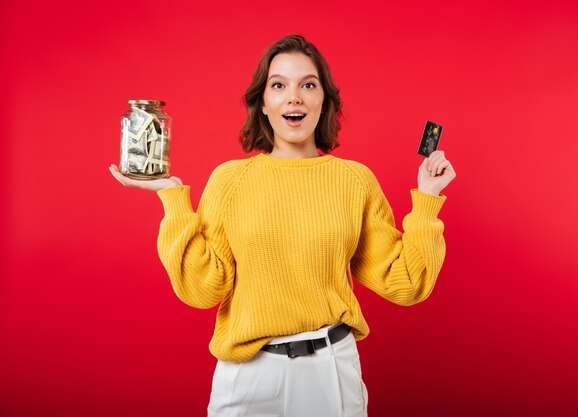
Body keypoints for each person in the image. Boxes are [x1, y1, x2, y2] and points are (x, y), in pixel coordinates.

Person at [109, 34, 456, 417]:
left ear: (324, 101)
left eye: (308, 85)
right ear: (263, 103)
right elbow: (202, 289)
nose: (294, 97)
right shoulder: (230, 180)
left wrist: (427, 199)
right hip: (249, 376)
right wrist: (173, 198)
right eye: (279, 85)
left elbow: (407, 282)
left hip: (331, 373)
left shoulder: (354, 181)